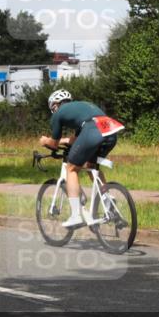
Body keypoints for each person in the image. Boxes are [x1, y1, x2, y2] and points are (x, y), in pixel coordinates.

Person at [38, 89, 124, 228]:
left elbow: (53, 144)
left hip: (93, 131)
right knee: (91, 165)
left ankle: (76, 215)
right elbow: (78, 139)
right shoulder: (81, 107)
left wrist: (45, 141)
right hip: (110, 130)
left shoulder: (58, 114)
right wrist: (64, 141)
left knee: (71, 168)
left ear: (54, 105)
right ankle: (108, 200)